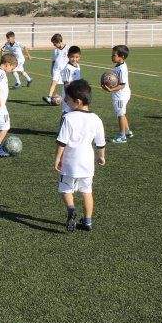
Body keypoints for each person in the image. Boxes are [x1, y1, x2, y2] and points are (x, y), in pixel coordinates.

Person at [55, 79, 106, 232]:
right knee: (87, 191)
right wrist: (101, 156)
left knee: (65, 188)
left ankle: (71, 209)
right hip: (87, 163)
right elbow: (100, 142)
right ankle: (88, 221)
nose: (65, 101)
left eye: (68, 99)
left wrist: (58, 158)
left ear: (77, 101)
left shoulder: (68, 118)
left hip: (70, 161)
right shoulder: (96, 119)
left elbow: (62, 141)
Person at [102, 45, 133, 143]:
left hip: (120, 95)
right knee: (122, 113)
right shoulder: (120, 65)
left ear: (122, 56)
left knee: (120, 115)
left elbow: (122, 85)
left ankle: (122, 137)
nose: (112, 56)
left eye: (114, 55)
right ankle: (127, 131)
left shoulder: (121, 69)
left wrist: (111, 90)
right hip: (122, 93)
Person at [42, 33, 69, 105]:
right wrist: (52, 69)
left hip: (65, 71)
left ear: (59, 42)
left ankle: (67, 98)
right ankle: (49, 97)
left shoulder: (68, 48)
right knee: (54, 82)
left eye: (54, 44)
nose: (54, 45)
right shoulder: (55, 50)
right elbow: (53, 61)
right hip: (56, 69)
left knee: (66, 84)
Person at [60, 46, 82, 117]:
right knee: (66, 112)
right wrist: (67, 96)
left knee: (74, 111)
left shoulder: (78, 66)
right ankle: (62, 127)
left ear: (79, 57)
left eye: (76, 57)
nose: (74, 59)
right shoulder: (68, 68)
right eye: (72, 57)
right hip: (68, 94)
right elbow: (66, 83)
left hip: (75, 93)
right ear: (68, 56)